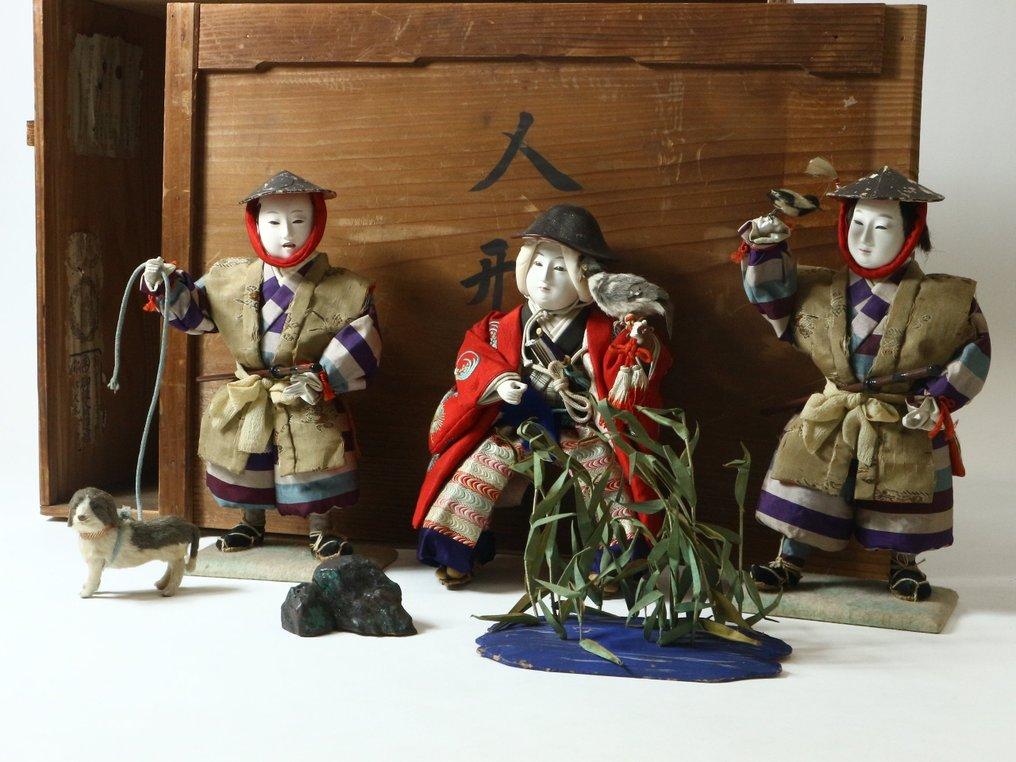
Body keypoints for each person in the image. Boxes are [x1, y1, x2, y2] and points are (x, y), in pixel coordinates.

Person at [738, 166, 990, 601]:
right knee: (809, 484)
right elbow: (774, 302)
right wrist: (766, 248)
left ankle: (904, 564)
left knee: (902, 492)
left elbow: (976, 349)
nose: (865, 238)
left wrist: (938, 400)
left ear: (912, 231)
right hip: (833, 410)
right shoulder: (817, 287)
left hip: (902, 415)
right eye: (857, 223)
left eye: (883, 226)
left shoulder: (949, 299)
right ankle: (788, 560)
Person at [412, 204, 672, 588]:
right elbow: (474, 355)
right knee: (481, 465)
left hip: (580, 426)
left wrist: (636, 349)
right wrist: (500, 382)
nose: (545, 278)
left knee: (606, 473)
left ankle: (614, 563)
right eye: (537, 264)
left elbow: (635, 373)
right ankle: (458, 552)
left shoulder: (608, 329)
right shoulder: (502, 326)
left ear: (586, 275)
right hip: (521, 424)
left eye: (560, 268)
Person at [142, 170, 381, 559]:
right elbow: (195, 316)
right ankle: (249, 522)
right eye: (273, 222)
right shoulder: (228, 278)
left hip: (305, 392)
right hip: (250, 391)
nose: (287, 232)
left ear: (317, 222)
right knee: (245, 460)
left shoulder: (347, 287)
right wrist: (164, 285)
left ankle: (321, 528)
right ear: (254, 225)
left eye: (299, 220)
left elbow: (362, 339)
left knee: (314, 460)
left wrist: (323, 378)